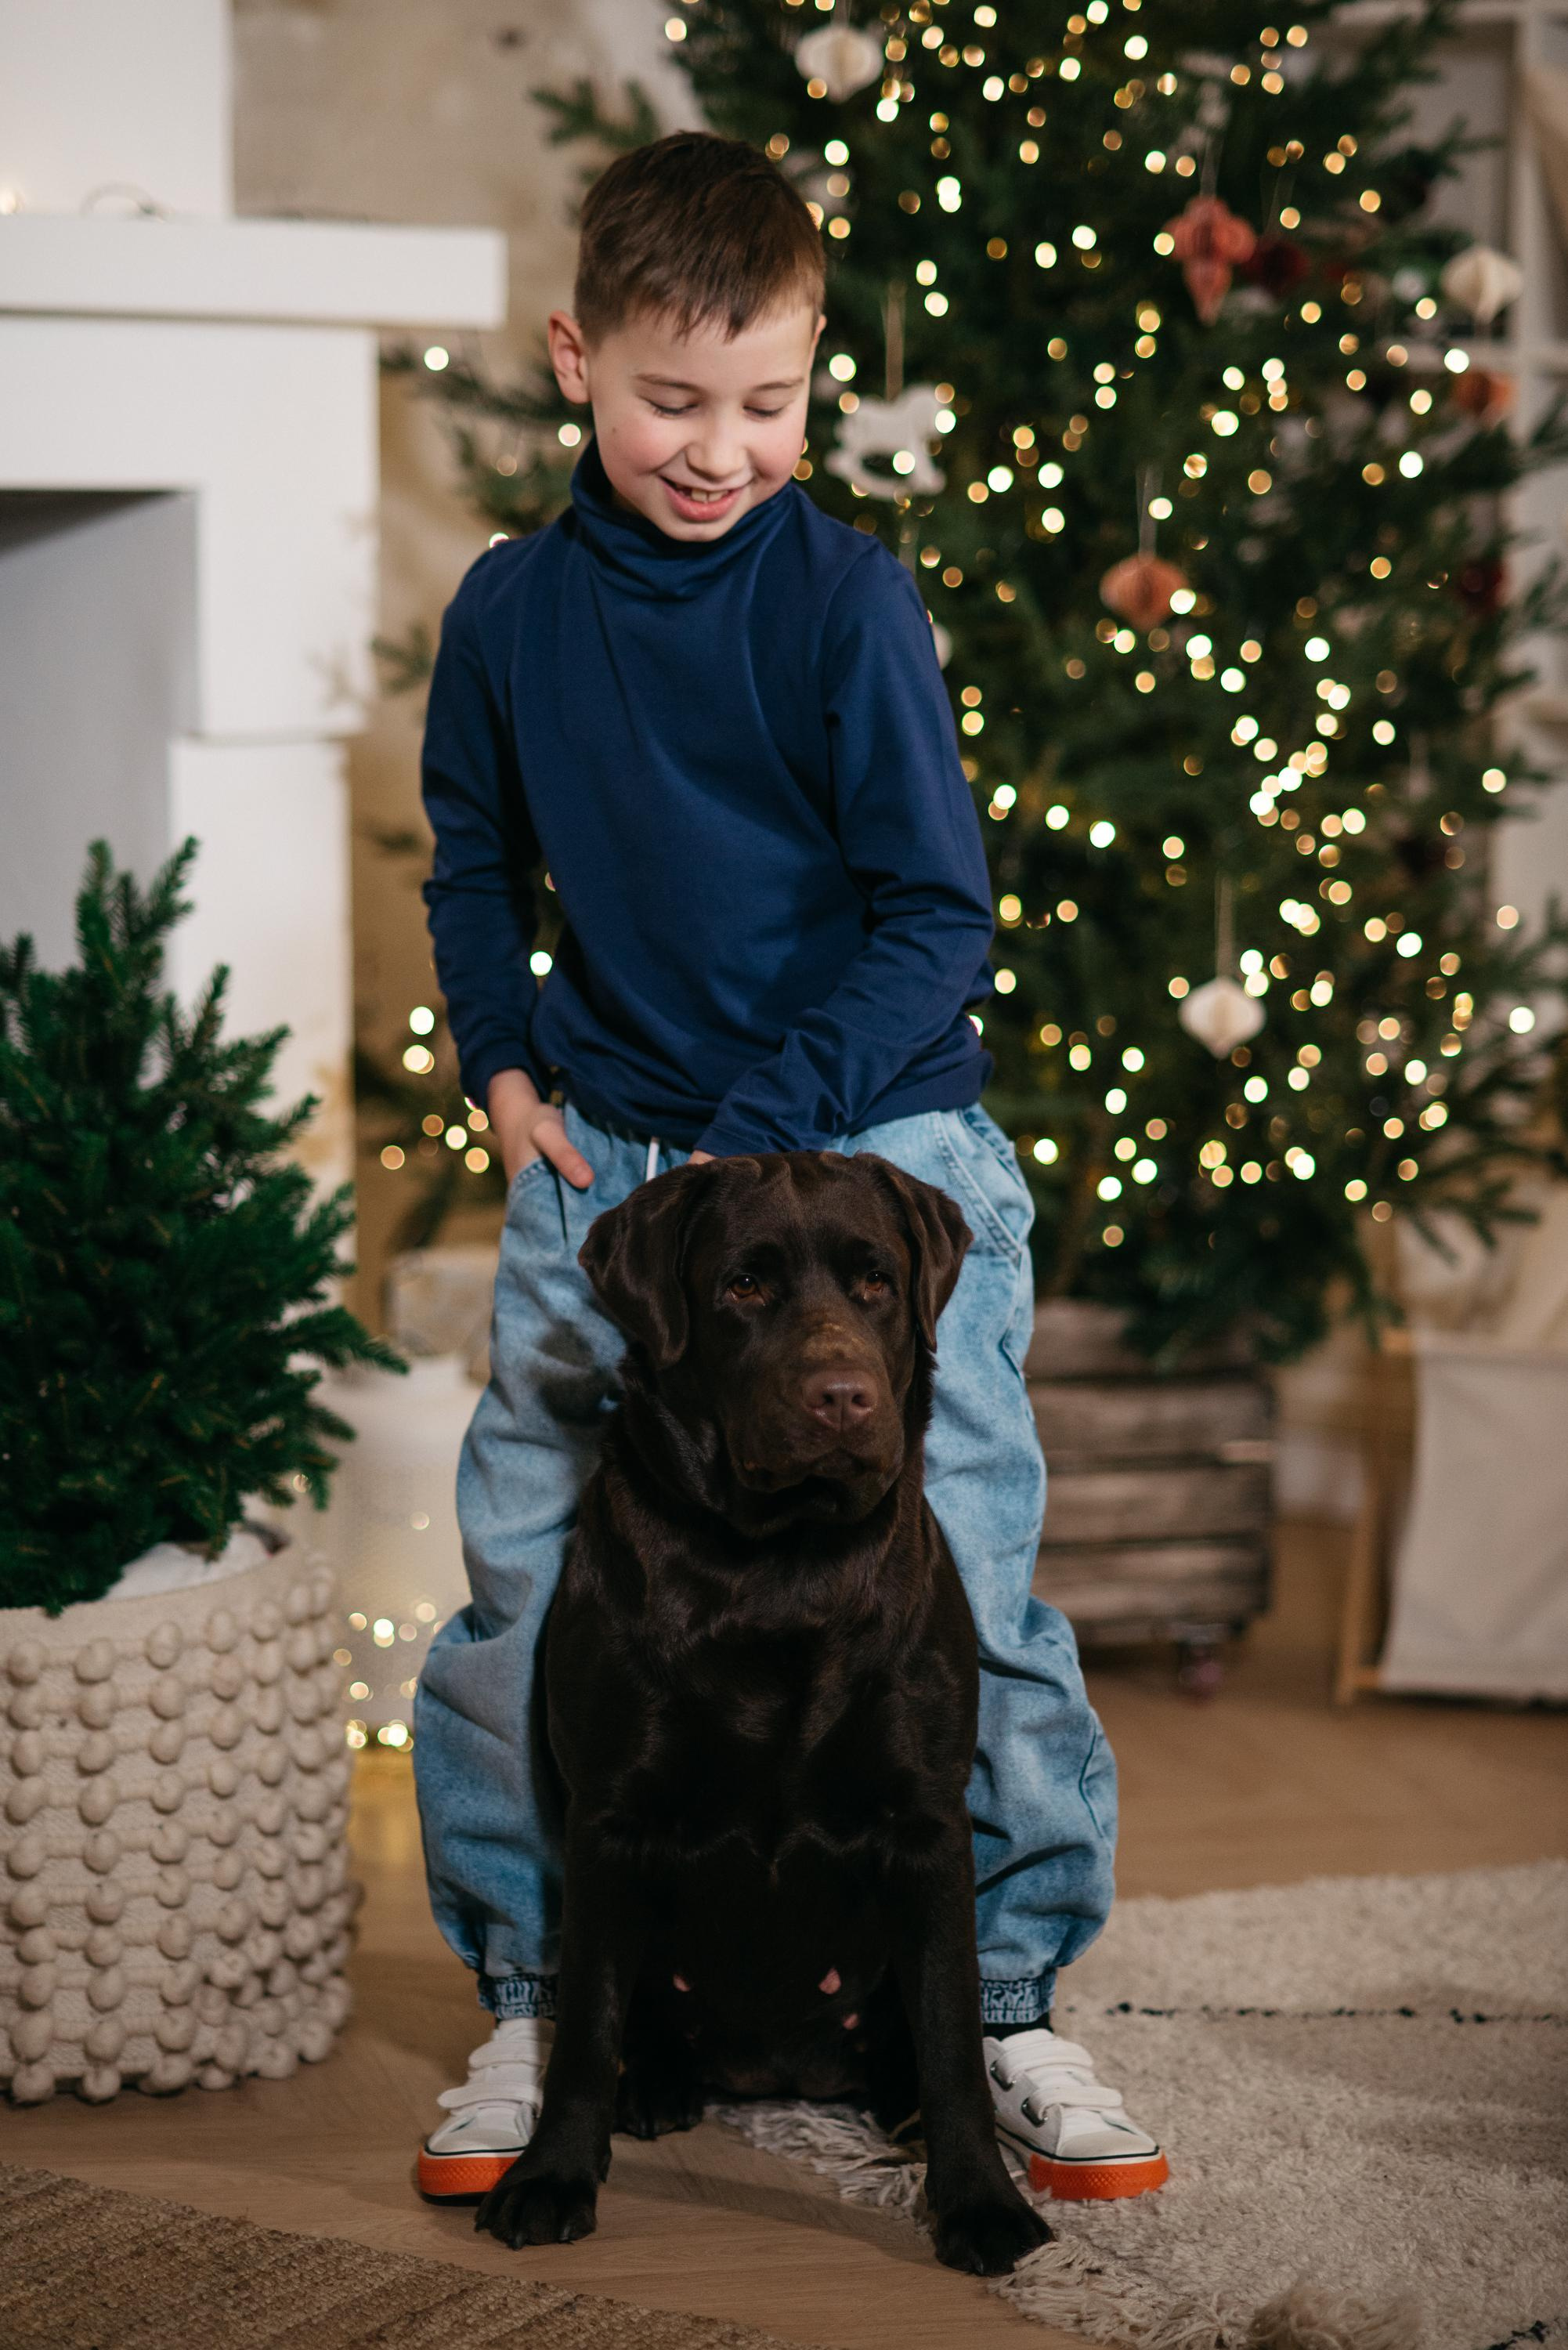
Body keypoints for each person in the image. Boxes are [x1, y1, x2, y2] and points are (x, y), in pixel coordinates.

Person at [411, 128, 1165, 2209]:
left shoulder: (846, 599)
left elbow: (937, 912)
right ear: (575, 359)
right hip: (612, 1161)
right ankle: (536, 1993)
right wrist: (499, 1064)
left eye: (769, 402)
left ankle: (997, 1997)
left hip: (873, 1143)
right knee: (523, 1577)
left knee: (972, 1568)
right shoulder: (512, 612)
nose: (721, 450)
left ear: (812, 375)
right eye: (674, 400)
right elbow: (472, 858)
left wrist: (780, 1128)